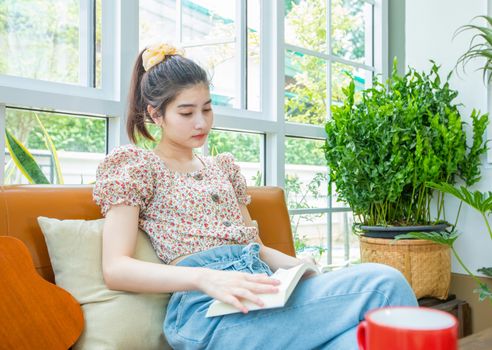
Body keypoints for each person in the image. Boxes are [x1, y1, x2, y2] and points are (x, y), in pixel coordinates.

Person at [93, 43, 418, 350]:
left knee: (367, 339)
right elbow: (116, 268)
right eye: (186, 112)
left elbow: (257, 248)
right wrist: (205, 279)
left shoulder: (222, 168)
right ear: (155, 114)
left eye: (207, 108)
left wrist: (306, 270)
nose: (201, 122)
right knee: (385, 283)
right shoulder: (138, 166)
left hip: (264, 291)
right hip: (207, 313)